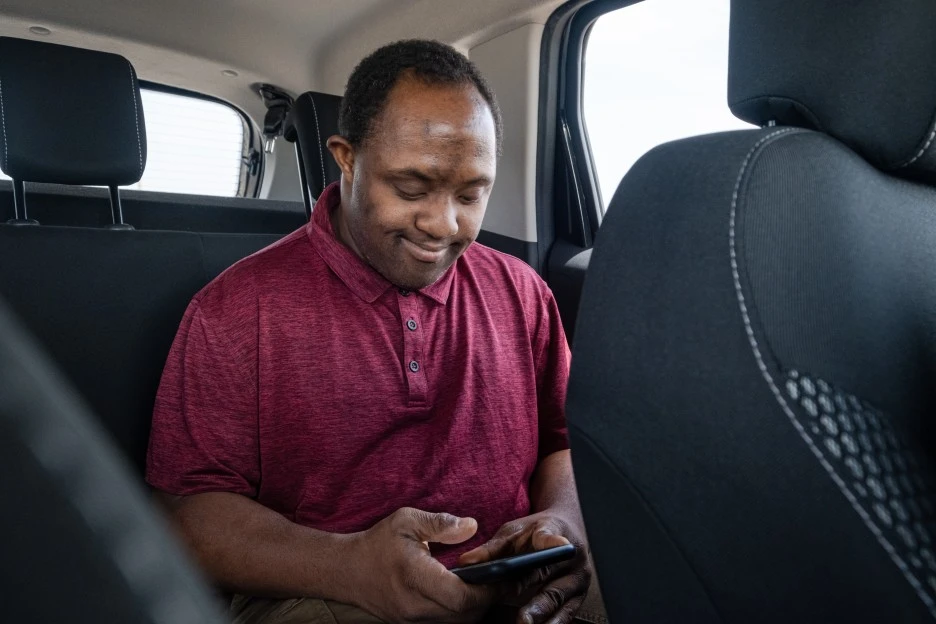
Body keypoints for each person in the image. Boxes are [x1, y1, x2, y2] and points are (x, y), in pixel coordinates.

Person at [146, 39, 604, 624]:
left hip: (513, 582)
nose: (443, 225)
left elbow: (563, 443)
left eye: (471, 194)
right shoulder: (235, 310)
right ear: (347, 158)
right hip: (324, 589)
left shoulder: (522, 292)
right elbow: (187, 514)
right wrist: (349, 565)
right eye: (411, 188)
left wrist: (564, 520)